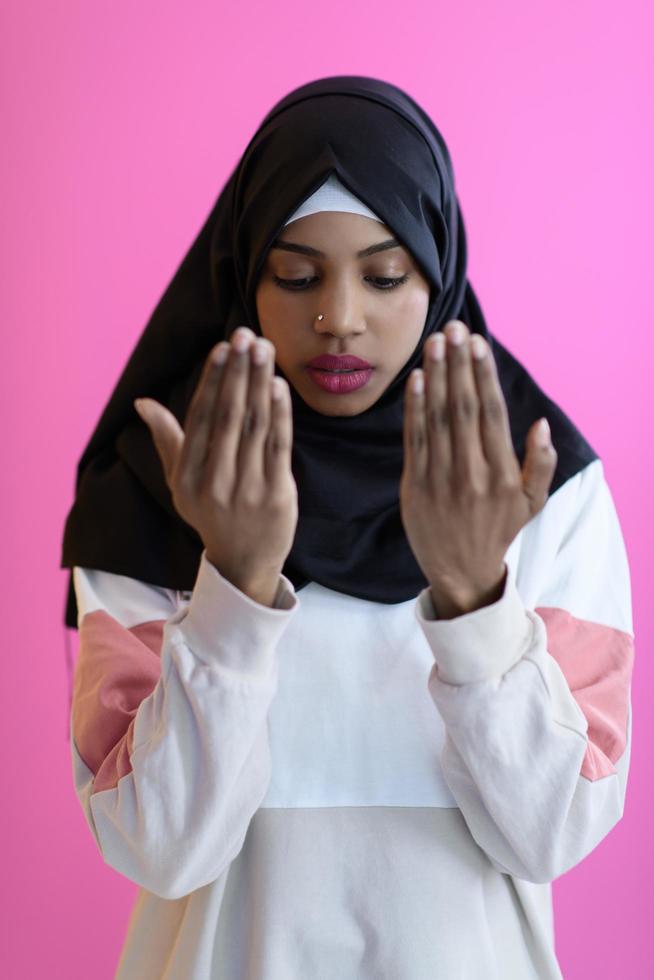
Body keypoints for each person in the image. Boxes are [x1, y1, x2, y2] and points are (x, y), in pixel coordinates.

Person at [60, 75, 635, 979]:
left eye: (384, 273)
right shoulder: (164, 485)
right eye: (295, 275)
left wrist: (475, 600)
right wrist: (234, 590)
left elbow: (555, 832)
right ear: (243, 269)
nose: (338, 318)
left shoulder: (534, 483)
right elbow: (157, 847)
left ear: (437, 267)